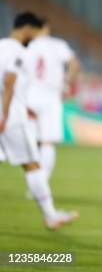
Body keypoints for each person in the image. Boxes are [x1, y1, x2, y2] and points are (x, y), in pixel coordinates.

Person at [0, 12, 78, 230]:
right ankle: (51, 215)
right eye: (34, 33)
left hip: (19, 107)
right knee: (33, 163)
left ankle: (51, 215)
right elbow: (9, 80)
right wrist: (6, 113)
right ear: (27, 28)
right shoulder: (18, 52)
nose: (35, 39)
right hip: (12, 117)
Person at [24, 17, 80, 182]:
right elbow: (74, 64)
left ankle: (33, 179)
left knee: (30, 141)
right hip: (51, 96)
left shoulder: (27, 46)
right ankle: (42, 182)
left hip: (30, 95)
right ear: (46, 28)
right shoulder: (57, 45)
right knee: (47, 142)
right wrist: (67, 83)